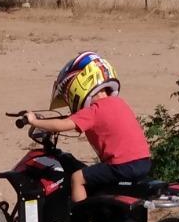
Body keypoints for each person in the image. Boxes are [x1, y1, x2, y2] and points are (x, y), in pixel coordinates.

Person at [24, 51, 151, 203]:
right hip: (144, 162)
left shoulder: (94, 110)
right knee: (95, 175)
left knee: (77, 178)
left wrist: (34, 121)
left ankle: (80, 214)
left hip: (122, 166)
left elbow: (62, 125)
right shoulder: (119, 103)